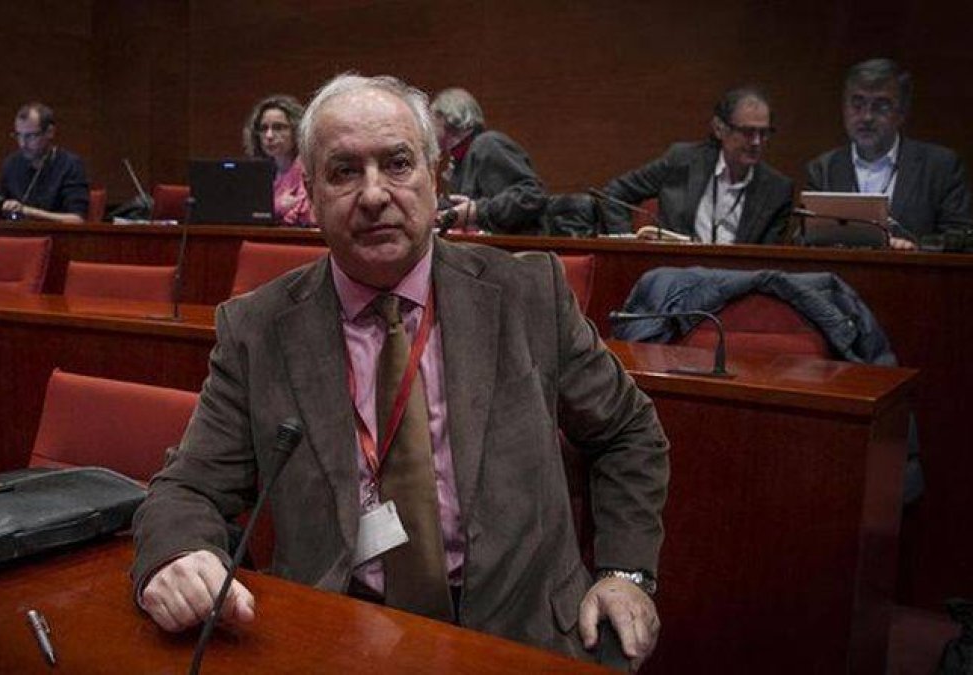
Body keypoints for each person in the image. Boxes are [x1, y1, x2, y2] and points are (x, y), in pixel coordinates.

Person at [131, 73, 670, 669]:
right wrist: (175, 553)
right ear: (307, 192)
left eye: (397, 164)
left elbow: (628, 433)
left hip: (526, 631)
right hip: (338, 634)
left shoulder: (528, 294)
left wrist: (626, 571)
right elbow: (186, 488)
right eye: (343, 172)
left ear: (436, 180)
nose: (373, 194)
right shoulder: (258, 330)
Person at [806, 58, 972, 249]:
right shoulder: (823, 168)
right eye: (857, 105)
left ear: (901, 113)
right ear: (844, 108)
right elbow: (804, 238)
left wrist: (914, 247)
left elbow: (962, 239)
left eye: (881, 106)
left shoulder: (940, 167)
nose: (867, 117)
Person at [602, 86, 793, 244]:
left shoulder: (777, 190)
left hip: (736, 280)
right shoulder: (682, 161)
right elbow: (613, 194)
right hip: (676, 273)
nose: (756, 142)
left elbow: (768, 260)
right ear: (719, 129)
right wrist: (627, 244)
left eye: (764, 133)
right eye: (747, 132)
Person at [431, 87, 548, 234]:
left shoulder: (488, 144)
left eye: (432, 119)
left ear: (447, 118)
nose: (429, 128)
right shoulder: (461, 158)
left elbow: (532, 195)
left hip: (515, 251)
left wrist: (476, 211)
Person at [0, 102, 89, 223]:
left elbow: (77, 219)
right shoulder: (11, 164)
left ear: (50, 132)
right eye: (18, 135)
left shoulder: (70, 165)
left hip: (57, 237)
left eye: (30, 136)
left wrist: (28, 211)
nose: (23, 144)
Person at [243, 95, 313, 227]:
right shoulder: (259, 173)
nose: (269, 136)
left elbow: (307, 213)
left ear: (296, 130)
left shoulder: (309, 167)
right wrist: (279, 206)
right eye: (264, 129)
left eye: (278, 127)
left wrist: (271, 209)